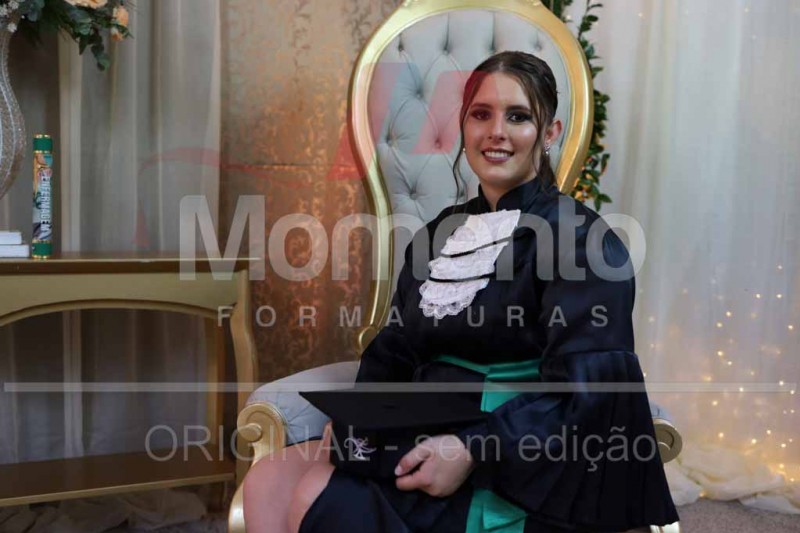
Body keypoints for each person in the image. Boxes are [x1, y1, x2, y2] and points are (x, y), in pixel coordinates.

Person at [244, 51, 679, 533]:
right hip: (422, 431)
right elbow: (395, 350)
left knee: (313, 492)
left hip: (518, 461)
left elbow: (590, 394)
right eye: (481, 114)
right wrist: (359, 421)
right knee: (267, 482)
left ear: (550, 133)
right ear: (464, 127)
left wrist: (472, 449)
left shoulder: (583, 242)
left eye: (518, 117)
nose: (496, 132)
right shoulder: (438, 234)